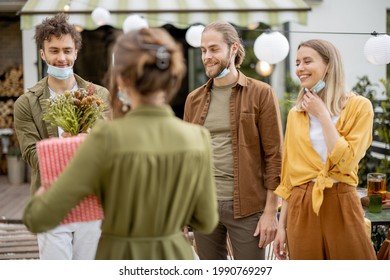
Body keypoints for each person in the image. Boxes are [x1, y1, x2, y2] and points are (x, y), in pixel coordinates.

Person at [22, 27, 218, 260]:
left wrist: (43, 193)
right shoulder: (197, 138)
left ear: (122, 78)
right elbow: (206, 220)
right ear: (173, 76)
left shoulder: (105, 138)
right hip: (174, 257)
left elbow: (38, 218)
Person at [13, 13, 111, 260]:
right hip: (51, 201)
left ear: (76, 52)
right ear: (43, 53)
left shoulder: (99, 95)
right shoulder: (26, 103)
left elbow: (110, 148)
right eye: (53, 50)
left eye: (67, 50)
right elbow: (32, 154)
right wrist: (68, 148)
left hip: (93, 199)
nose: (61, 58)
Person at [183, 21, 283, 260]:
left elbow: (275, 156)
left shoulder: (261, 93)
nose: (207, 56)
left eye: (214, 49)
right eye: (203, 50)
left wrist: (271, 212)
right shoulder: (193, 99)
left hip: (248, 209)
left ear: (233, 48)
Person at [273, 39, 377, 260]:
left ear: (328, 65)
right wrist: (281, 227)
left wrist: (322, 114)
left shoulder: (360, 107)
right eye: (298, 62)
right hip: (302, 206)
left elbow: (347, 161)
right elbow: (288, 177)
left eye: (307, 61)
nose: (300, 68)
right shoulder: (296, 114)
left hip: (342, 201)